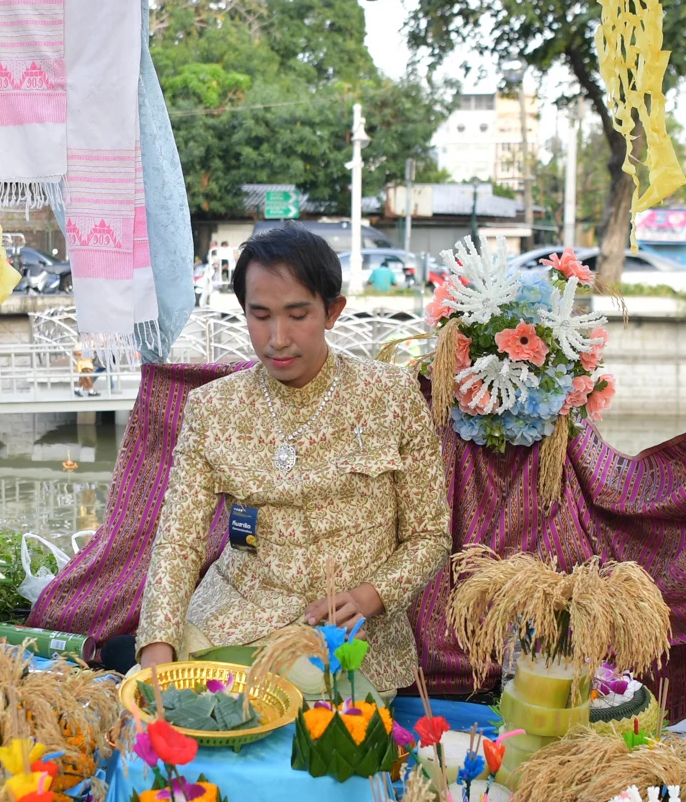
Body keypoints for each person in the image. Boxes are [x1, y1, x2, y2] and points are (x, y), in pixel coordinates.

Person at [134, 226, 450, 694]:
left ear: (332, 311)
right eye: (259, 316)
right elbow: (179, 539)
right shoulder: (212, 408)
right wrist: (157, 646)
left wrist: (371, 597)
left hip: (347, 637)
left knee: (317, 732)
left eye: (297, 314)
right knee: (181, 715)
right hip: (231, 619)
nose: (277, 338)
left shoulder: (392, 397)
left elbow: (430, 534)